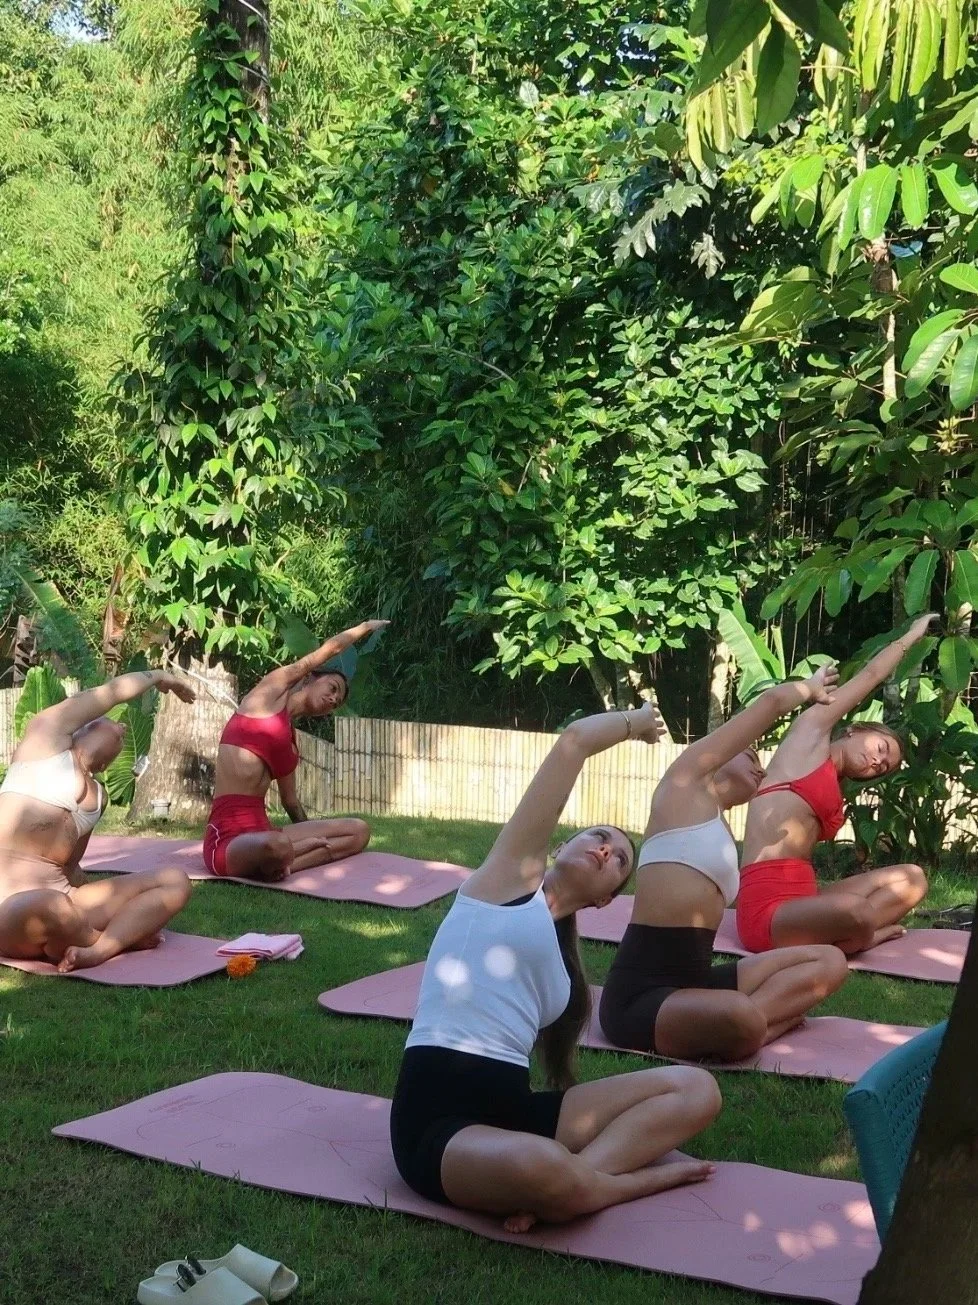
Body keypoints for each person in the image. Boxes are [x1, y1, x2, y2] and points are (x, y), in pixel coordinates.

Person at [390, 702, 722, 1233]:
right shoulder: (502, 885)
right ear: (562, 844)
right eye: (599, 837)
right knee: (537, 1164)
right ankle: (612, 1184)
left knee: (697, 1088)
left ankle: (577, 1182)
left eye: (619, 859)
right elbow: (574, 741)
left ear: (607, 899)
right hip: (439, 1121)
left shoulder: (566, 972)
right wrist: (639, 720)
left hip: (515, 1111)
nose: (606, 850)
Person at [599, 667, 849, 1063]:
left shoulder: (719, 827)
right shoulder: (683, 785)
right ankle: (757, 1026)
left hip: (696, 982)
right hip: (640, 996)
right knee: (739, 1016)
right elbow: (768, 704)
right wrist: (809, 689)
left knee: (829, 960)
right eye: (751, 755)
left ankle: (750, 1027)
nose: (761, 769)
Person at [736, 616, 934, 955]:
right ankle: (859, 939)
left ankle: (849, 933)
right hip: (766, 910)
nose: (876, 763)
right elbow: (872, 676)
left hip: (805, 897)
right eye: (880, 749)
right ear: (857, 729)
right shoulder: (810, 734)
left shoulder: (834, 781)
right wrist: (912, 636)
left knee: (913, 878)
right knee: (857, 912)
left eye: (882, 768)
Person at [0, 669, 196, 972]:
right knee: (53, 906)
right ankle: (109, 939)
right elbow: (111, 692)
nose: (119, 723)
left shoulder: (98, 798)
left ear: (109, 760)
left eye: (121, 728)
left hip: (65, 900)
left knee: (175, 880)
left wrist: (108, 903)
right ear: (85, 728)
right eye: (107, 720)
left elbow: (70, 868)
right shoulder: (45, 741)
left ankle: (99, 949)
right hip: (10, 907)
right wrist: (159, 677)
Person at [203, 620, 387, 881]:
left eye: (338, 701)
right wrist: (365, 627)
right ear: (311, 679)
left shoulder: (289, 742)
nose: (334, 699)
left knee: (359, 831)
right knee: (274, 846)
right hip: (229, 836)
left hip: (265, 829)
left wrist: (311, 831)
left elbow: (291, 802)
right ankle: (287, 856)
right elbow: (327, 651)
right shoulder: (268, 695)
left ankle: (286, 863)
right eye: (332, 688)